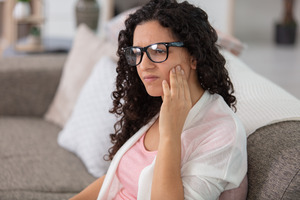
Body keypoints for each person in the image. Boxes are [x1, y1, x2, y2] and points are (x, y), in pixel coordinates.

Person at [71, 0, 247, 199]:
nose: (144, 65)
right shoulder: (154, 104)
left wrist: (171, 134)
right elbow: (115, 180)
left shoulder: (222, 133)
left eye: (158, 50)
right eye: (137, 52)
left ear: (194, 56)